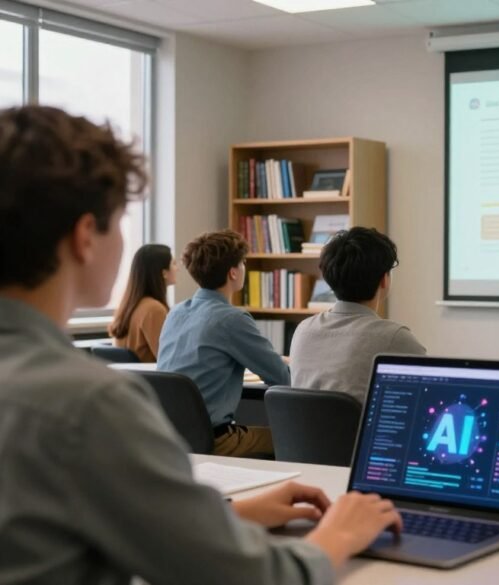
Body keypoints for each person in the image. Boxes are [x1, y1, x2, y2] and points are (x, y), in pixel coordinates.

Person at [0, 104, 401, 585]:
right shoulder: (87, 405)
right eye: (121, 220)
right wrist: (339, 533)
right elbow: (255, 577)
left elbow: (95, 524)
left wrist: (230, 514)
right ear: (86, 235)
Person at [158, 229, 289, 457]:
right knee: (292, 438)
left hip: (172, 440)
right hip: (216, 441)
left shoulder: (175, 312)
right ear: (233, 273)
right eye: (243, 263)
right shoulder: (231, 319)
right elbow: (282, 378)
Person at [290, 227, 425, 403]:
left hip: (301, 432)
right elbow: (427, 394)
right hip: (360, 431)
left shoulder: (303, 329)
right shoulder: (395, 337)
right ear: (384, 279)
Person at [107, 243, 176, 361]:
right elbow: (168, 360)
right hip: (152, 379)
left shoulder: (129, 305)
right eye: (173, 263)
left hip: (133, 377)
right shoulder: (154, 309)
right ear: (163, 273)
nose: (177, 268)